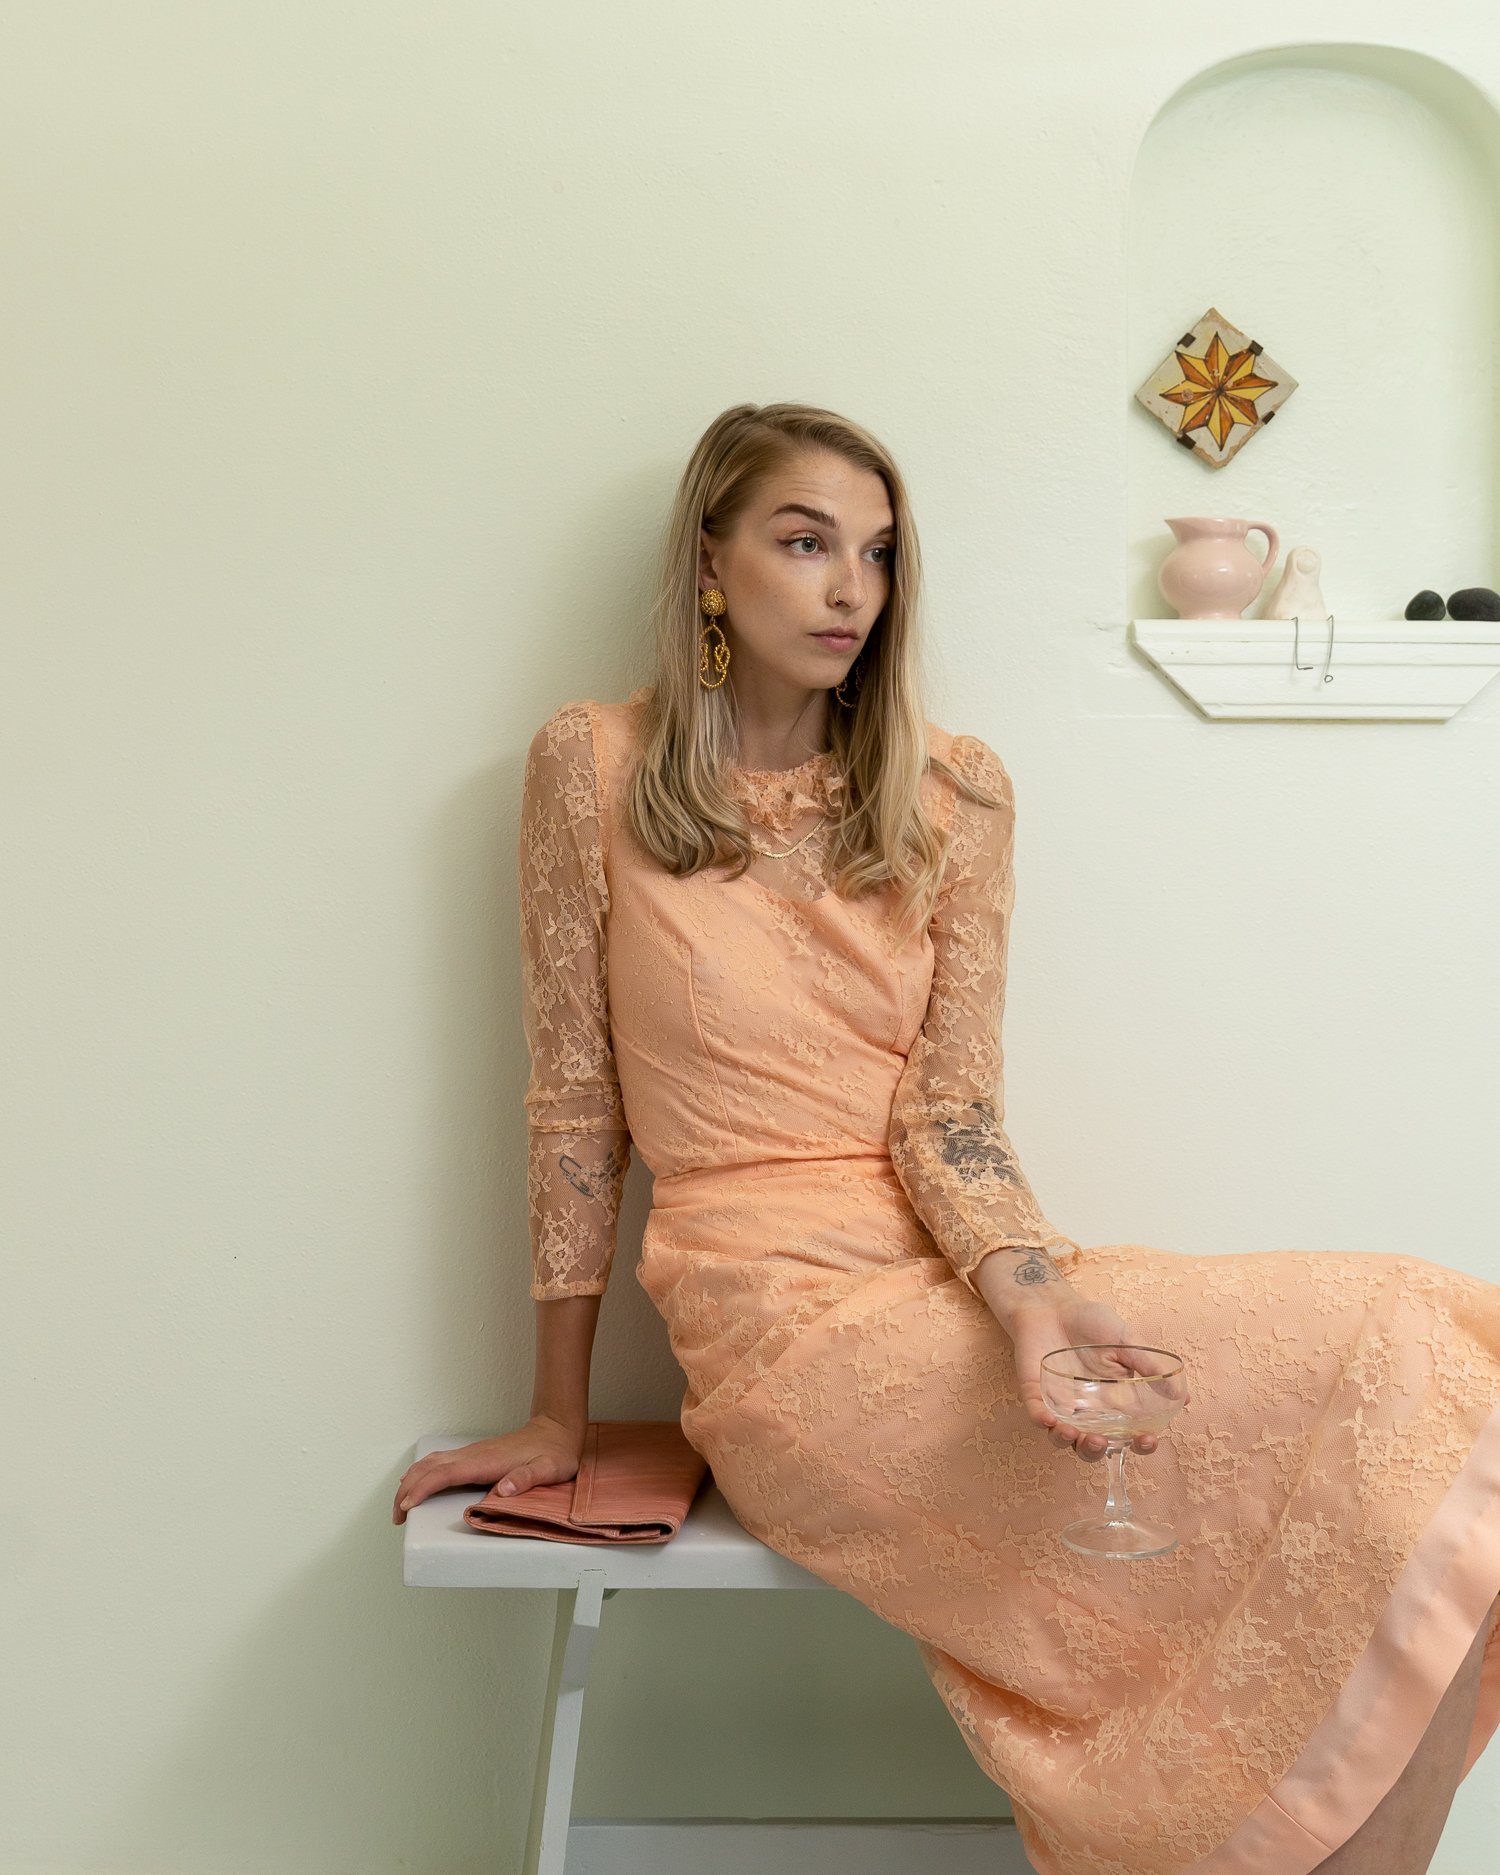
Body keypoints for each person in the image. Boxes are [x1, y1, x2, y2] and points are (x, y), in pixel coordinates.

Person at [394, 401, 1500, 1875]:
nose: (852, 587)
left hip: (960, 1280)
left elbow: (951, 1112)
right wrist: (559, 1413)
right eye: (804, 543)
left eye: (879, 554)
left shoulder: (952, 792)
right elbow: (574, 1104)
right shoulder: (593, 770)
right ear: (710, 564)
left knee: (1430, 1349)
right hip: (781, 1333)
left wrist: (1028, 1298)